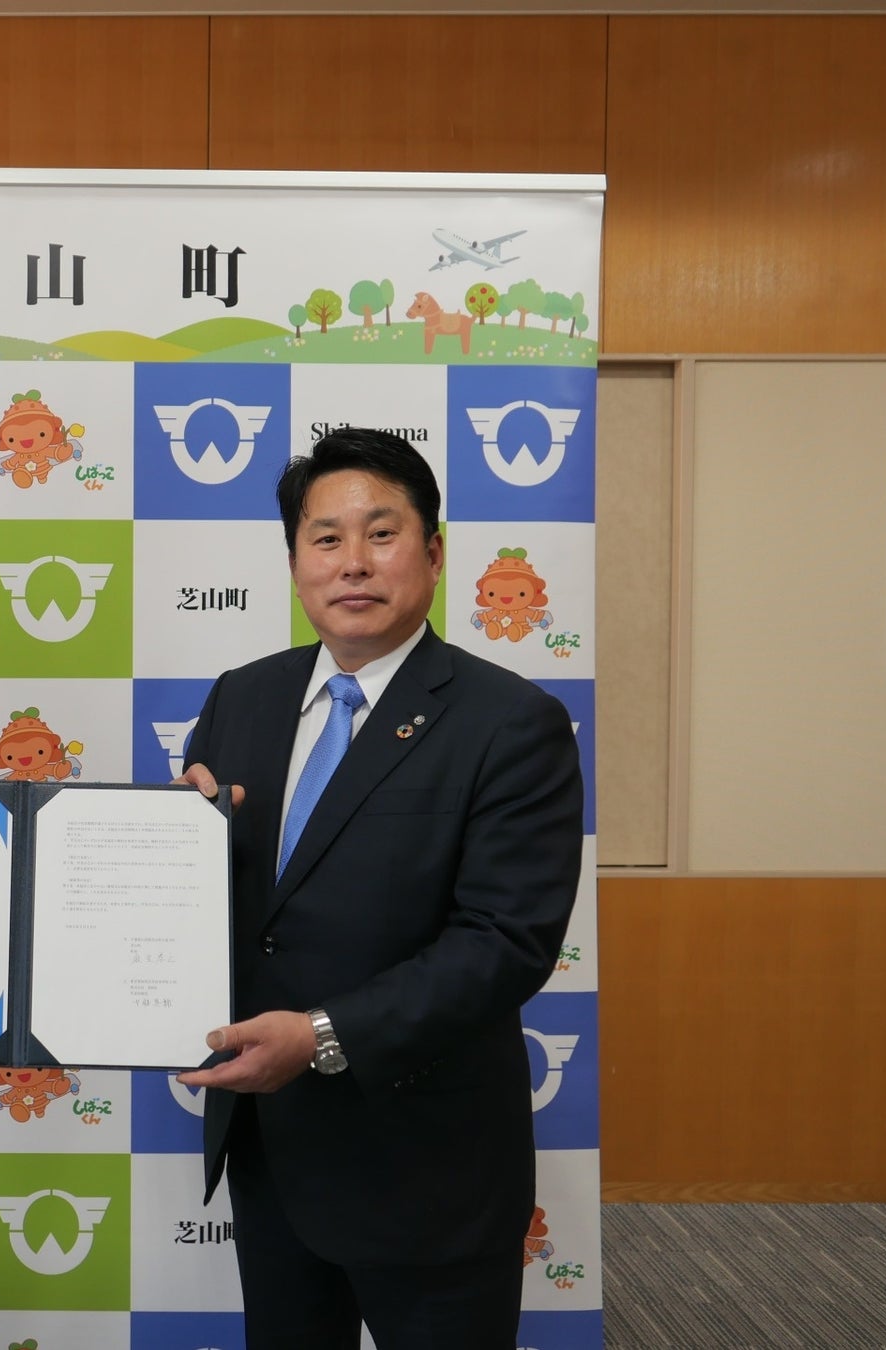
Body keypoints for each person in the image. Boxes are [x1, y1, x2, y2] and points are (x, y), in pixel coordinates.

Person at [176, 427, 583, 1350]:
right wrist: (175, 850)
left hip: (428, 1164)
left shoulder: (512, 721)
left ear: (433, 554)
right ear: (295, 563)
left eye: (382, 533)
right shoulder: (242, 697)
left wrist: (322, 1036)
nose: (352, 562)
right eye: (325, 539)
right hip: (270, 1146)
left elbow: (504, 943)